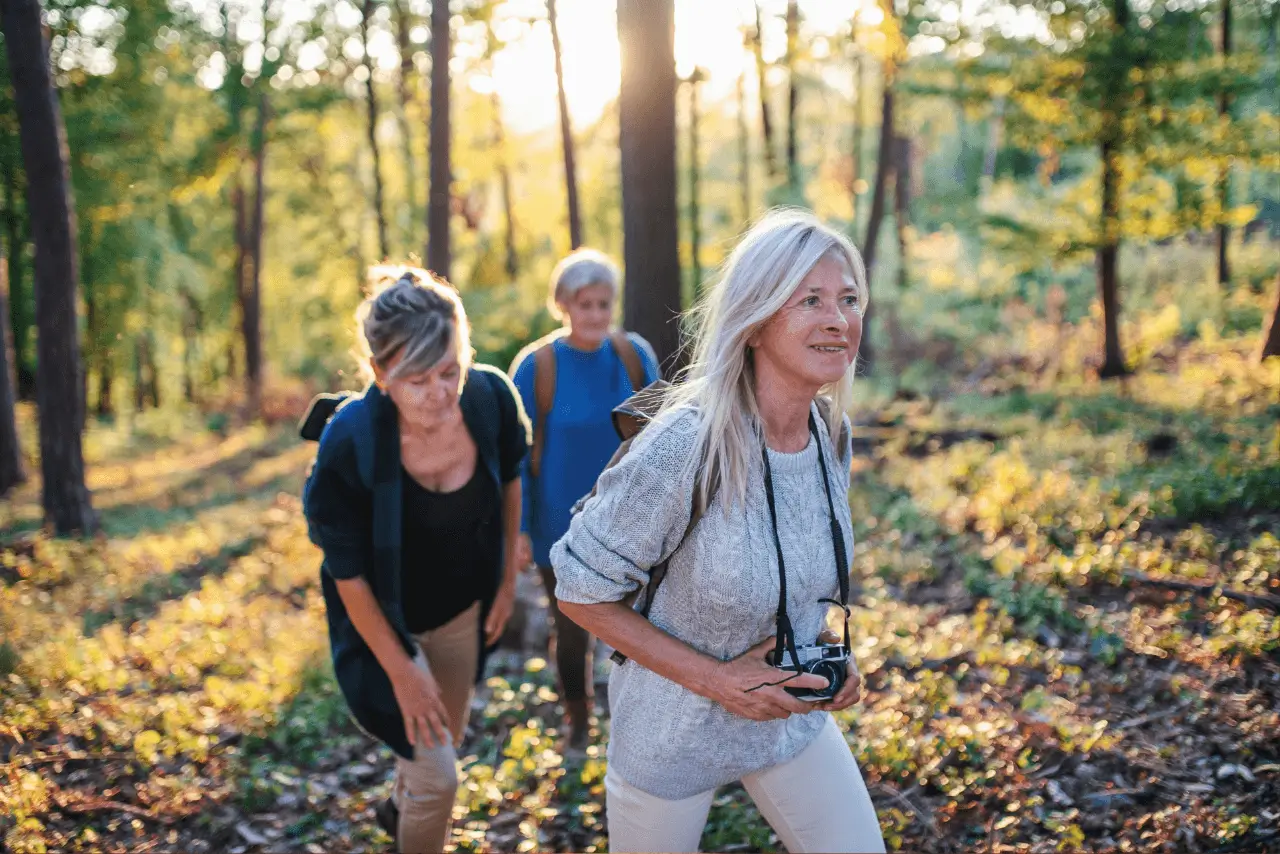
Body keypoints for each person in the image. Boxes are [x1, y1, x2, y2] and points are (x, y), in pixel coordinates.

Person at [549, 210, 886, 853]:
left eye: (847, 299)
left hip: (787, 720)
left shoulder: (828, 434)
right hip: (669, 738)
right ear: (756, 321)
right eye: (809, 300)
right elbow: (576, 587)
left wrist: (827, 656)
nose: (837, 319)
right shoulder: (687, 444)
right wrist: (717, 679)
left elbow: (800, 569)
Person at [302, 268, 530, 853]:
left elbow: (509, 484)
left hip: (461, 609)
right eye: (418, 380)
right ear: (380, 375)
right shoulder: (350, 441)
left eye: (450, 370)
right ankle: (416, 817)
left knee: (441, 740)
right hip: (382, 622)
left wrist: (506, 581)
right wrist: (404, 670)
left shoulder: (490, 399)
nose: (440, 392)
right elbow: (345, 572)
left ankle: (398, 810)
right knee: (438, 777)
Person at [508, 249, 660, 752]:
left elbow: (665, 439)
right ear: (564, 305)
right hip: (560, 525)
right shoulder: (537, 367)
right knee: (573, 629)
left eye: (603, 303)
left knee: (638, 629)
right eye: (585, 304)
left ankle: (636, 726)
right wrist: (520, 530)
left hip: (629, 521)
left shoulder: (634, 356)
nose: (595, 314)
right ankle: (578, 722)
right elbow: (516, 457)